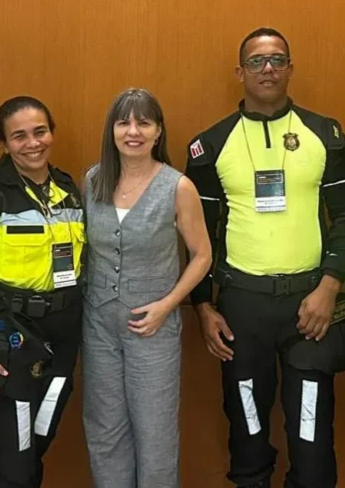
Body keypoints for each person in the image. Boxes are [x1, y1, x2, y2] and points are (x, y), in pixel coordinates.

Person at [185, 28, 345, 488]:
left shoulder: (325, 134)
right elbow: (197, 237)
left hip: (310, 307)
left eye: (277, 60)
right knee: (246, 426)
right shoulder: (210, 144)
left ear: (290, 69)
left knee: (312, 433)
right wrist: (203, 307)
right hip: (242, 310)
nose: (268, 69)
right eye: (257, 61)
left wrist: (330, 287)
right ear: (240, 72)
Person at [0, 96, 86, 488]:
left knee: (35, 446)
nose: (32, 143)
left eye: (40, 132)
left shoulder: (68, 191)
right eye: (19, 136)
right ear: (4, 143)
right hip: (5, 342)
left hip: (61, 341)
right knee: (12, 463)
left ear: (52, 133)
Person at [81, 88, 211, 488]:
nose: (133, 131)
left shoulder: (178, 187)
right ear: (112, 131)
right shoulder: (93, 180)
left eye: (144, 123)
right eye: (124, 123)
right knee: (105, 430)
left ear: (159, 132)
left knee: (155, 434)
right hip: (99, 326)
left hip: (153, 329)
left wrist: (167, 305)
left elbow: (202, 255)